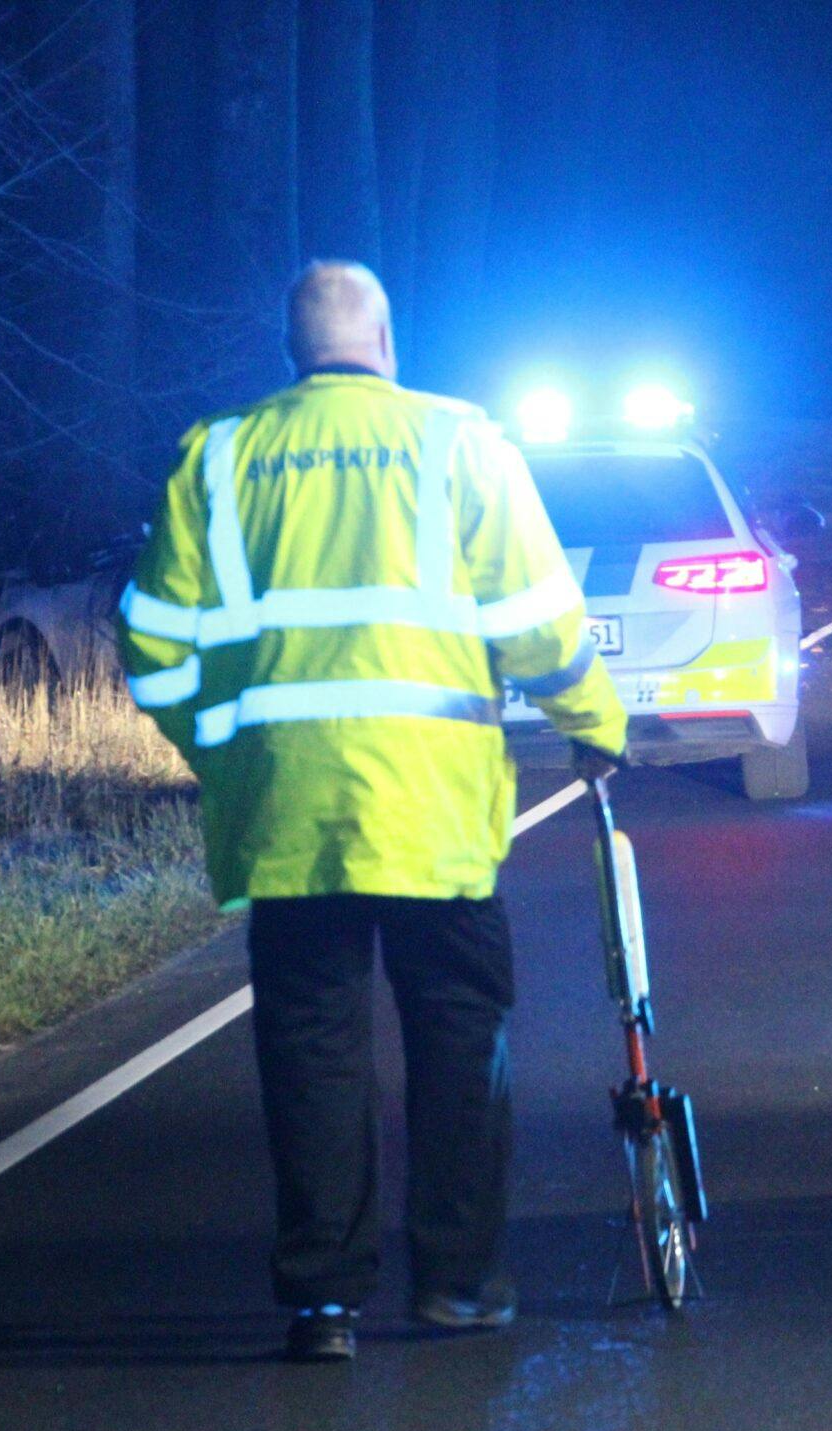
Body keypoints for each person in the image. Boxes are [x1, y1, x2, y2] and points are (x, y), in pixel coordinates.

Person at [117, 261, 628, 1363]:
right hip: (432, 814)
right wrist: (595, 722)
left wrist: (227, 752)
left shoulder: (216, 457)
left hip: (290, 815)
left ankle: (323, 1302)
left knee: (310, 1050)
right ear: (388, 341)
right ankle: (456, 1283)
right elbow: (538, 617)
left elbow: (152, 648)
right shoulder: (461, 446)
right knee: (457, 1040)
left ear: (288, 350)